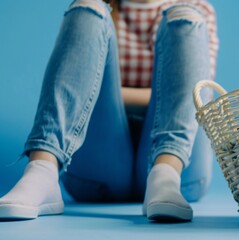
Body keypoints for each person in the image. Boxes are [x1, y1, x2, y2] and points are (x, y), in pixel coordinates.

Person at [0, 0, 218, 222]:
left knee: (187, 17)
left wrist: (96, 92)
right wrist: (165, 98)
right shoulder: (101, 10)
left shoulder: (199, 8)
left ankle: (166, 175)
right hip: (100, 166)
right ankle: (42, 170)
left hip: (182, 168)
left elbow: (196, 99)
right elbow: (177, 100)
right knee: (86, 8)